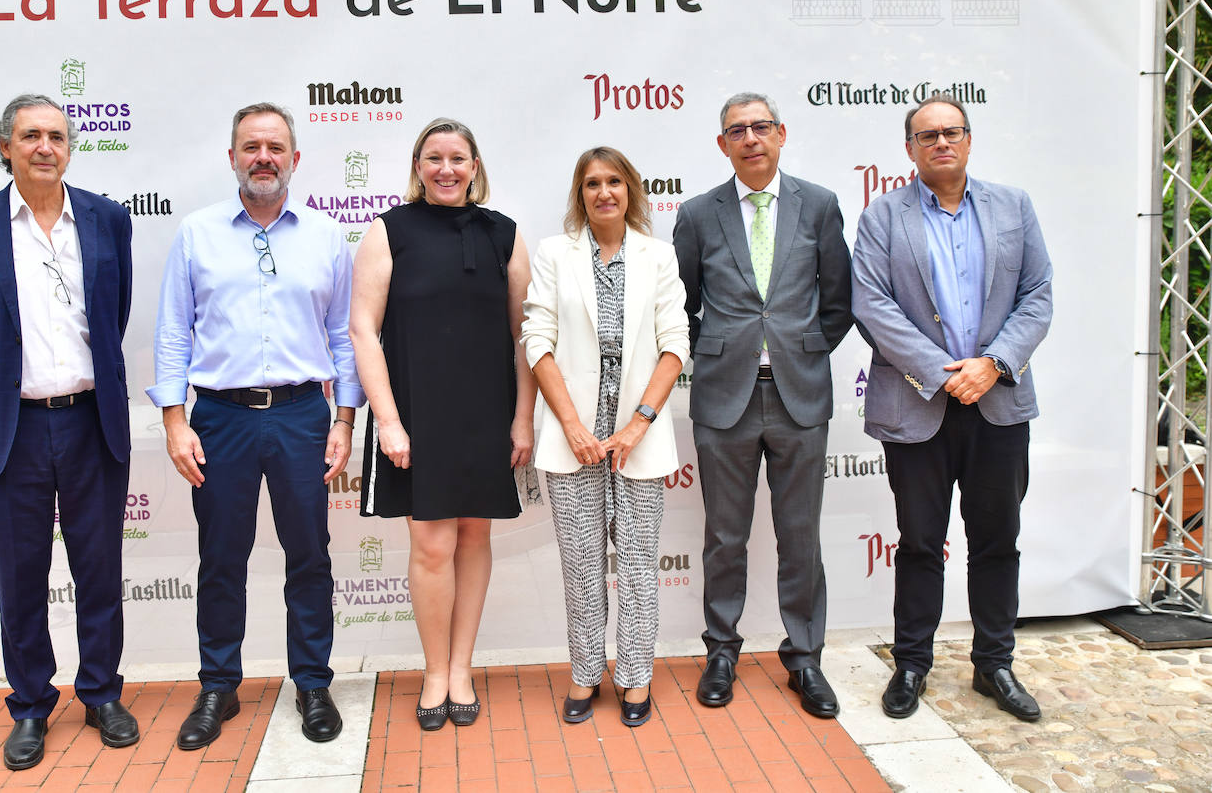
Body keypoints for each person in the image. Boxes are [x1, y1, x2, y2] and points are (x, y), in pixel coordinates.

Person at [0, 94, 137, 770]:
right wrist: (0, 382)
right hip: (10, 428)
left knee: (99, 569)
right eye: (30, 136)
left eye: (56, 135)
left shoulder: (107, 220)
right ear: (6, 147)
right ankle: (28, 706)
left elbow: (114, 317)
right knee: (20, 576)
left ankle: (102, 693)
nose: (45, 146)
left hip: (90, 422)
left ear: (69, 147)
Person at [148, 102, 364, 748]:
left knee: (310, 557)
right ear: (233, 157)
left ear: (295, 159)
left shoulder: (327, 237)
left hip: (302, 414)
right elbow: (171, 332)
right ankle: (218, 687)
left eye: (275, 147)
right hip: (218, 418)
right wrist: (173, 421)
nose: (263, 157)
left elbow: (344, 336)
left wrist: (345, 418)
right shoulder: (196, 232)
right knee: (220, 559)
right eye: (251, 147)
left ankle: (313, 684)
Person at [851, 95, 1052, 722]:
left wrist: (991, 365)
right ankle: (911, 663)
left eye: (952, 131)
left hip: (999, 402)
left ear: (969, 140)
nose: (941, 142)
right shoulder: (882, 216)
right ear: (909, 149)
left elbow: (1038, 294)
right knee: (918, 542)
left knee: (997, 541)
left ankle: (995, 664)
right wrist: (944, 374)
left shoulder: (1013, 206)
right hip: (919, 405)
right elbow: (871, 303)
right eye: (927, 135)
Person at [349, 118, 534, 731]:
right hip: (416, 415)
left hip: (487, 414)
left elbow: (525, 335)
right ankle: (434, 672)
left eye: (458, 158)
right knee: (432, 546)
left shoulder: (503, 234)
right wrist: (389, 422)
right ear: (419, 166)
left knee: (475, 539)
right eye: (435, 158)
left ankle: (462, 669)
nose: (446, 169)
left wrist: (523, 418)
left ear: (475, 166)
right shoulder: (388, 232)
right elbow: (362, 331)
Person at [672, 92, 853, 717]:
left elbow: (838, 302)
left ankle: (805, 657)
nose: (750, 139)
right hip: (725, 399)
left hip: (799, 396)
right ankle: (721, 650)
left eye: (760, 128)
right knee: (725, 536)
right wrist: (725, 352)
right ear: (722, 144)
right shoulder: (698, 215)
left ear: (781, 134)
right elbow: (682, 307)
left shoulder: (820, 205)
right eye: (736, 131)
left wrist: (798, 350)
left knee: (800, 536)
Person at [521, 147, 689, 728]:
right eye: (592, 183)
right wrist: (572, 426)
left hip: (640, 434)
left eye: (614, 181)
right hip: (572, 436)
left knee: (640, 563)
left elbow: (675, 344)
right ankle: (585, 673)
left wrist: (636, 425)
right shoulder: (554, 254)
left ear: (631, 189)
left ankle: (636, 676)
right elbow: (537, 339)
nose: (604, 192)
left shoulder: (658, 255)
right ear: (580, 194)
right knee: (582, 564)